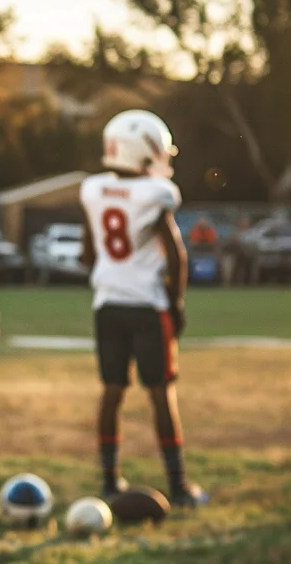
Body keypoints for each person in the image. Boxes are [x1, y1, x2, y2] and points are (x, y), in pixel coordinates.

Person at [79, 109, 207, 509]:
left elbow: (87, 251)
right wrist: (177, 301)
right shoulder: (156, 194)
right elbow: (176, 256)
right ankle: (179, 484)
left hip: (108, 303)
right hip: (147, 305)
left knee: (112, 391)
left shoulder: (94, 189)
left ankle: (108, 478)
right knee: (160, 394)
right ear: (146, 152)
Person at [222, 215, 251, 287]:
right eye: (242, 221)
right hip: (235, 255)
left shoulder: (252, 233)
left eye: (245, 222)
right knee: (227, 261)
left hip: (249, 256)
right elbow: (229, 244)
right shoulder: (235, 233)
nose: (244, 223)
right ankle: (228, 283)